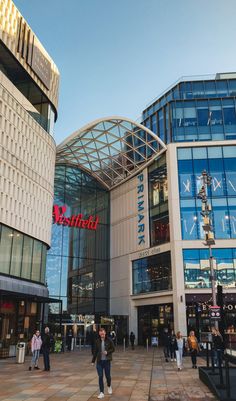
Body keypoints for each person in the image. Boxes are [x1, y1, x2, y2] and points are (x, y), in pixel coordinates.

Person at [91, 327, 115, 399]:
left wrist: (107, 352)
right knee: (100, 376)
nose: (102, 334)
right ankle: (101, 392)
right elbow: (95, 352)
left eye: (103, 333)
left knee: (108, 376)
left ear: (105, 333)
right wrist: (93, 361)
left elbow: (113, 349)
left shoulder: (109, 340)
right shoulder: (97, 341)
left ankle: (109, 385)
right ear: (99, 333)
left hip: (107, 361)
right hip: (99, 362)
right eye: (101, 333)